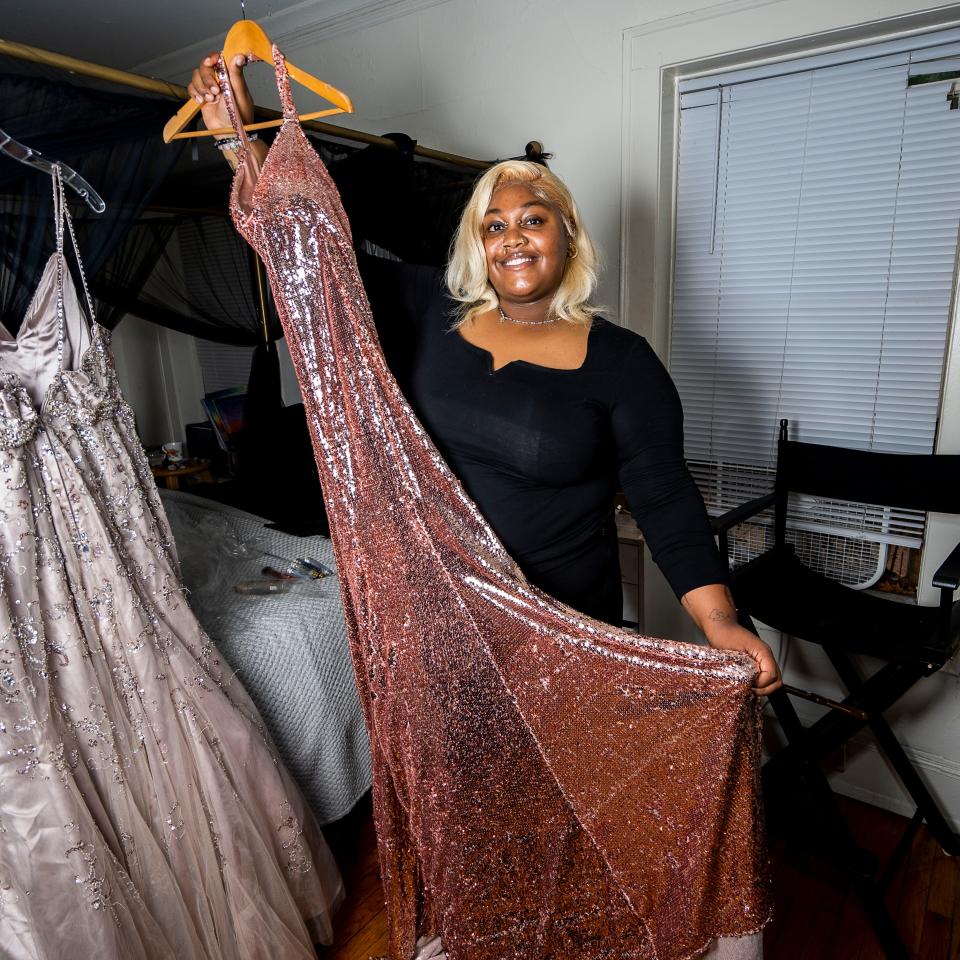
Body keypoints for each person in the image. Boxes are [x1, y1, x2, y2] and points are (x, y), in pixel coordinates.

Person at [188, 53, 781, 697]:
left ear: (568, 235)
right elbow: (312, 250)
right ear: (477, 245)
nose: (513, 238)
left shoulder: (624, 363)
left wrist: (719, 621)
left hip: (559, 630)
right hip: (436, 622)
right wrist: (238, 141)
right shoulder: (425, 311)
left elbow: (664, 499)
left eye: (533, 219)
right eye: (493, 226)